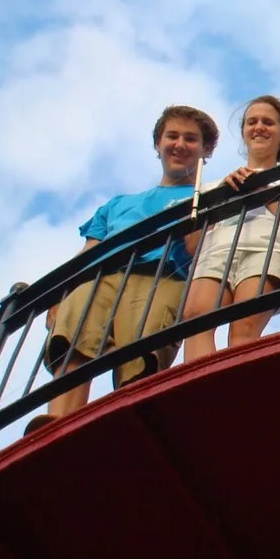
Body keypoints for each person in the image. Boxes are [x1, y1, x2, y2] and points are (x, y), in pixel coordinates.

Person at [38, 105, 220, 424]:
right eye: (172, 136)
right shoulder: (118, 204)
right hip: (99, 276)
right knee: (74, 340)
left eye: (191, 139)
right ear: (157, 144)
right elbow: (89, 250)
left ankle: (130, 422)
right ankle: (57, 422)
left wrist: (200, 211)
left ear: (206, 150)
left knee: (142, 354)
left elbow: (201, 252)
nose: (179, 144)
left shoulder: (205, 197)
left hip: (161, 277)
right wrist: (59, 293)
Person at [180, 96, 280, 362]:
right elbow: (192, 245)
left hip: (268, 251)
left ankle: (238, 391)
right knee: (195, 320)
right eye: (251, 122)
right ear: (243, 131)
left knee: (243, 328)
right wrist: (218, 200)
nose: (259, 127)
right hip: (216, 250)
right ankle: (203, 394)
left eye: (268, 122)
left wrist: (268, 196)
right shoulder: (215, 186)